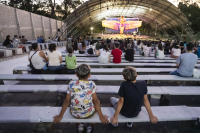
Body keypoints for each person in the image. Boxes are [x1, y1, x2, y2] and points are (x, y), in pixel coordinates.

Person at [53, 64, 109, 133]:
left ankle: (79, 125)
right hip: (89, 114)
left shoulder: (71, 84)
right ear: (89, 75)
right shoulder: (91, 84)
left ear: (76, 75)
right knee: (97, 102)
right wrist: (101, 116)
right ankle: (91, 126)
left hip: (75, 114)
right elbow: (95, 101)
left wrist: (60, 116)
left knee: (74, 103)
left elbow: (67, 101)